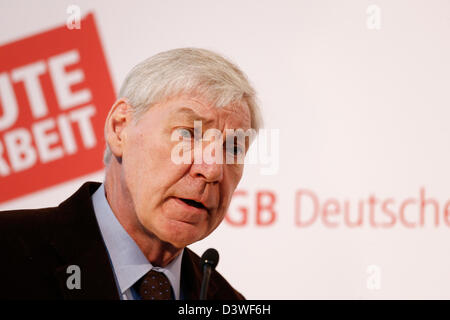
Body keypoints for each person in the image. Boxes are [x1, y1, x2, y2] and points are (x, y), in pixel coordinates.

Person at [0, 48, 263, 300]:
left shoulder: (228, 300)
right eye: (187, 134)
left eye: (233, 149)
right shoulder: (9, 253)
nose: (212, 170)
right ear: (119, 128)